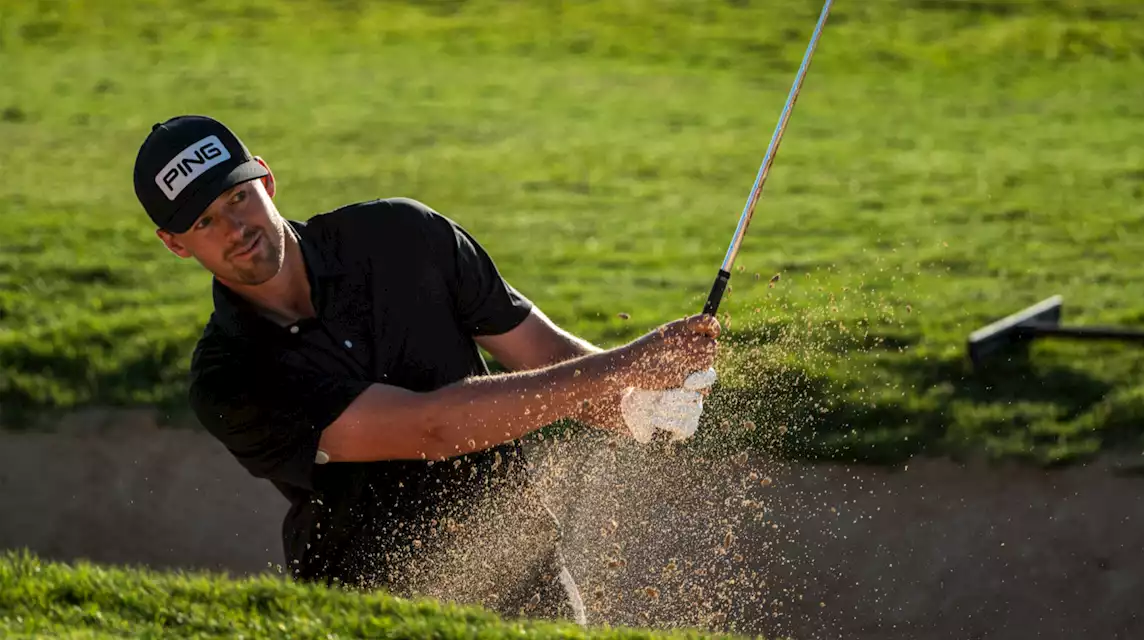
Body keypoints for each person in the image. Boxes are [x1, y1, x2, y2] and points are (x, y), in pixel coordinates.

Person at [131, 115, 720, 624]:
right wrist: (628, 365)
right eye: (204, 222)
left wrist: (640, 402)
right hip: (368, 614)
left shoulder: (402, 236)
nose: (237, 230)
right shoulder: (228, 377)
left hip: (528, 582)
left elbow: (543, 356)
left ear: (266, 178)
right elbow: (429, 429)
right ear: (175, 244)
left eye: (238, 197)